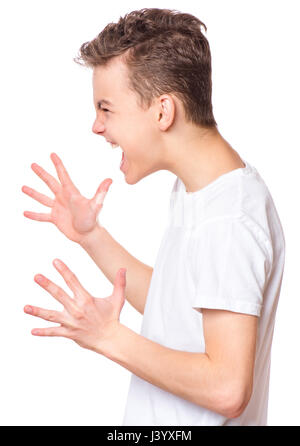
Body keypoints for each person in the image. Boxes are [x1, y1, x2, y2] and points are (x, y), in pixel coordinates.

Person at [22, 8, 285, 426]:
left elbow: (227, 388)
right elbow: (176, 305)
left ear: (163, 112)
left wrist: (109, 337)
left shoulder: (229, 220)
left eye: (106, 109)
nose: (96, 126)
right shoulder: (198, 189)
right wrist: (91, 237)